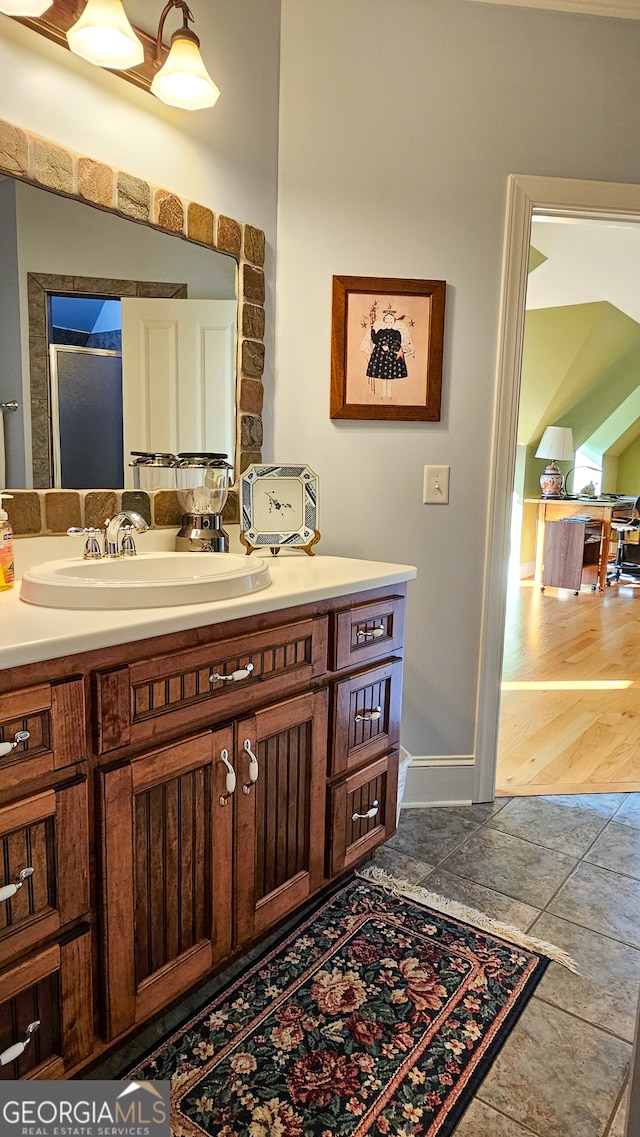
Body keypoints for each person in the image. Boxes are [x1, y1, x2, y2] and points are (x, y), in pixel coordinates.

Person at [360, 307, 415, 397]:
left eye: (391, 321)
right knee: (382, 375)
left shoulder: (396, 332)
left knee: (390, 375)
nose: (389, 322)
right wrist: (372, 330)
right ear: (384, 322)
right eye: (387, 321)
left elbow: (398, 342)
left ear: (393, 322)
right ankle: (383, 393)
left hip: (391, 355)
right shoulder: (381, 331)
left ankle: (389, 394)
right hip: (380, 355)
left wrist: (389, 347)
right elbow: (375, 340)